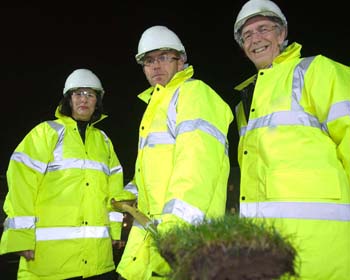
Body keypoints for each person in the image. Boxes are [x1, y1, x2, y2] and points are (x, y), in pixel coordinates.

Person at [232, 0, 350, 279]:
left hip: (322, 250)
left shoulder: (315, 71)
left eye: (263, 29)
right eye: (247, 35)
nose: (255, 39)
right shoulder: (245, 103)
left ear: (282, 34)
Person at [115, 25, 233, 279]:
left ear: (181, 61)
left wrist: (177, 229)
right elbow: (152, 171)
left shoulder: (194, 93)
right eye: (149, 61)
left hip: (182, 238)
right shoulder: (157, 106)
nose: (156, 66)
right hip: (154, 235)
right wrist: (129, 193)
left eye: (163, 57)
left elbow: (197, 164)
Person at [0, 68, 134, 279]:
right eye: (78, 93)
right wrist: (21, 237)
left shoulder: (104, 141)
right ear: (68, 99)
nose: (84, 99)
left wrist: (115, 231)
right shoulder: (46, 133)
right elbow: (21, 184)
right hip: (50, 263)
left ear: (97, 102)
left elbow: (114, 191)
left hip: (99, 263)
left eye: (91, 95)